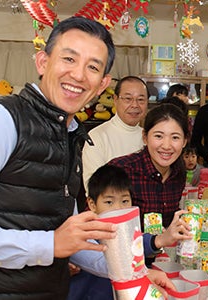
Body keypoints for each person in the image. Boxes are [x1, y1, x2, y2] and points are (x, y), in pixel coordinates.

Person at [0, 16, 118, 298]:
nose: (78, 75)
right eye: (69, 59)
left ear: (102, 84)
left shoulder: (70, 135)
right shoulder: (5, 119)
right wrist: (50, 244)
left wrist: (134, 270)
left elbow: (70, 239)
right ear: (42, 62)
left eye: (92, 67)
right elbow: (57, 241)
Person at [68, 165, 191, 300]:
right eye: (109, 202)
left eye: (125, 201)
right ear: (92, 204)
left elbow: (137, 243)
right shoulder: (86, 233)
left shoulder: (127, 231)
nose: (118, 208)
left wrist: (160, 239)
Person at [109, 104, 188, 227]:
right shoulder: (120, 170)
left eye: (175, 137)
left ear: (184, 142)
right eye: (158, 136)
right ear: (145, 138)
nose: (166, 146)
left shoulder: (178, 172)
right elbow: (98, 221)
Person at [82, 76, 148, 189]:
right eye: (128, 99)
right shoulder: (97, 136)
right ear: (115, 100)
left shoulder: (149, 137)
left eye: (141, 99)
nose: (135, 105)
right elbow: (93, 187)